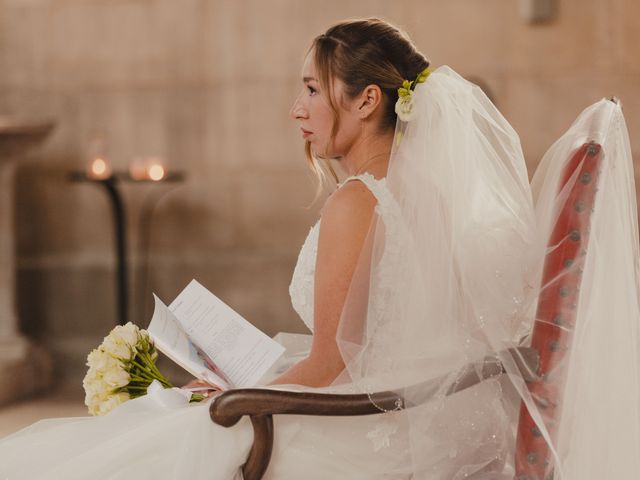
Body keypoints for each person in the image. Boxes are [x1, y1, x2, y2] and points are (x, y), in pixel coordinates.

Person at [1, 17, 638, 479]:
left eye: (311, 88)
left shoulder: (359, 201)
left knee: (148, 440)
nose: (295, 108)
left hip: (364, 433)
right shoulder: (429, 199)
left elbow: (332, 366)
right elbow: (376, 346)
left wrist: (230, 395)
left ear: (367, 100)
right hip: (418, 408)